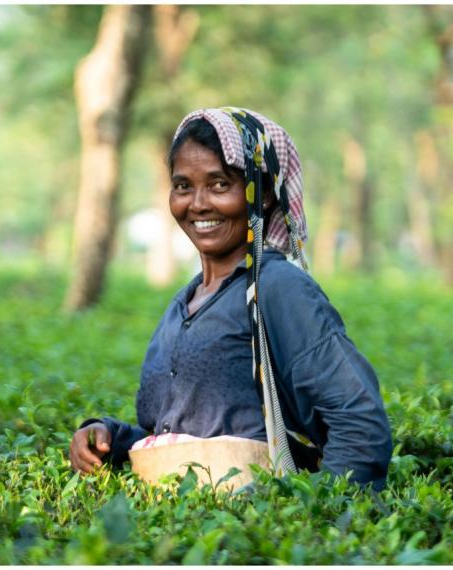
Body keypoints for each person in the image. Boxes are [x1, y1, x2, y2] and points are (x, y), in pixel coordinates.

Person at [68, 107, 393, 490]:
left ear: (264, 195)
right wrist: (106, 435)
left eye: (220, 184)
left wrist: (322, 518)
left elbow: (359, 419)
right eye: (183, 185)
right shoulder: (184, 303)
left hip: (249, 531)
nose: (198, 203)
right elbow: (180, 432)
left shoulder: (278, 288)